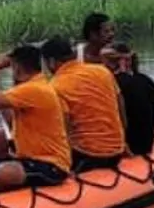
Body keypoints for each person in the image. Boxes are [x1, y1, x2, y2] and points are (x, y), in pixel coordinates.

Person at [0, 44, 72, 189]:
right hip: (25, 158)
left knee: (3, 174)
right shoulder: (29, 87)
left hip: (50, 164)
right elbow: (8, 119)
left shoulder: (33, 88)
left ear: (17, 67)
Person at [41, 36, 127, 172]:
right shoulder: (102, 71)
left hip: (86, 155)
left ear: (51, 62)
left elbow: (63, 130)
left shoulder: (54, 86)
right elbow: (120, 105)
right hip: (117, 151)